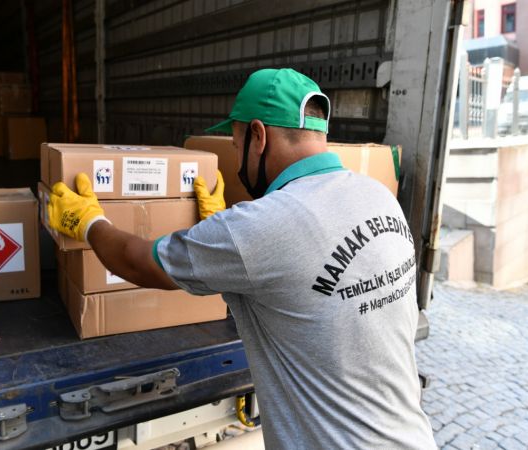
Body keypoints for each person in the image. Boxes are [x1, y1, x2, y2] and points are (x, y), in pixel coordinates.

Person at [49, 68, 436, 449]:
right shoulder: (379, 196)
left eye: (236, 145)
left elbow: (137, 262)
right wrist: (221, 229)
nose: (236, 162)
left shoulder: (260, 227)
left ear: (258, 134)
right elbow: (302, 263)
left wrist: (88, 222)